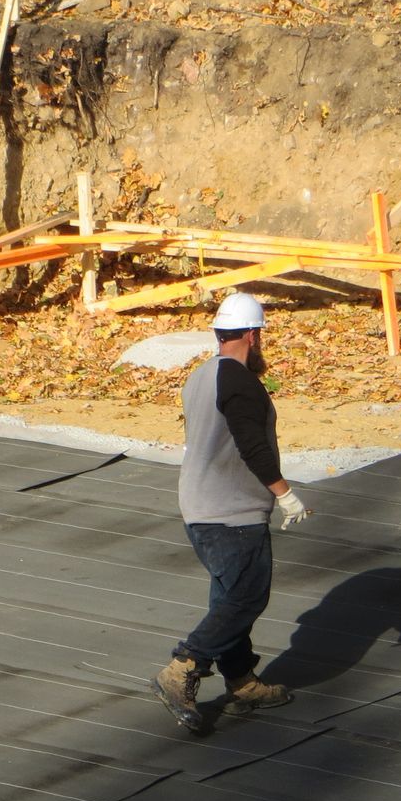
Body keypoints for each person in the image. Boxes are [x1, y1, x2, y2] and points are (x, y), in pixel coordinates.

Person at [153, 293, 312, 735]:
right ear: (252, 334)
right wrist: (285, 494)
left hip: (199, 505)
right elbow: (251, 445)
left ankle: (240, 680)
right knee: (247, 596)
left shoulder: (200, 376)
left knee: (228, 597)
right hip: (231, 510)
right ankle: (183, 666)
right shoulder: (240, 382)